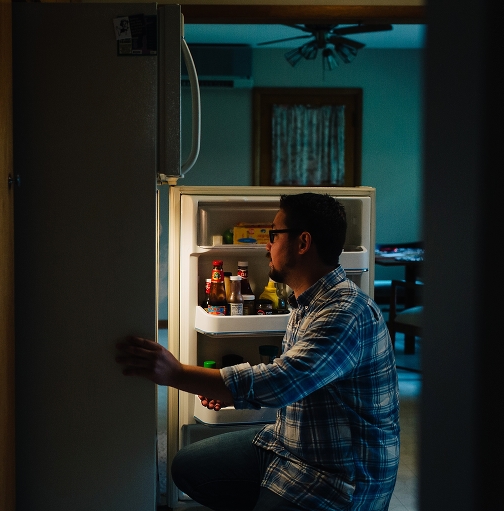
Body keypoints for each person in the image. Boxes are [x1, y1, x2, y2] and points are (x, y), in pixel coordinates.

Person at [116, 192, 400, 511]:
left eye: (273, 234)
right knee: (188, 466)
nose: (267, 244)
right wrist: (226, 390)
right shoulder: (308, 302)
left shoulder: (345, 315)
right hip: (287, 444)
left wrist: (175, 373)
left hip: (337, 478)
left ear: (302, 242)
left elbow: (282, 381)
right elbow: (296, 379)